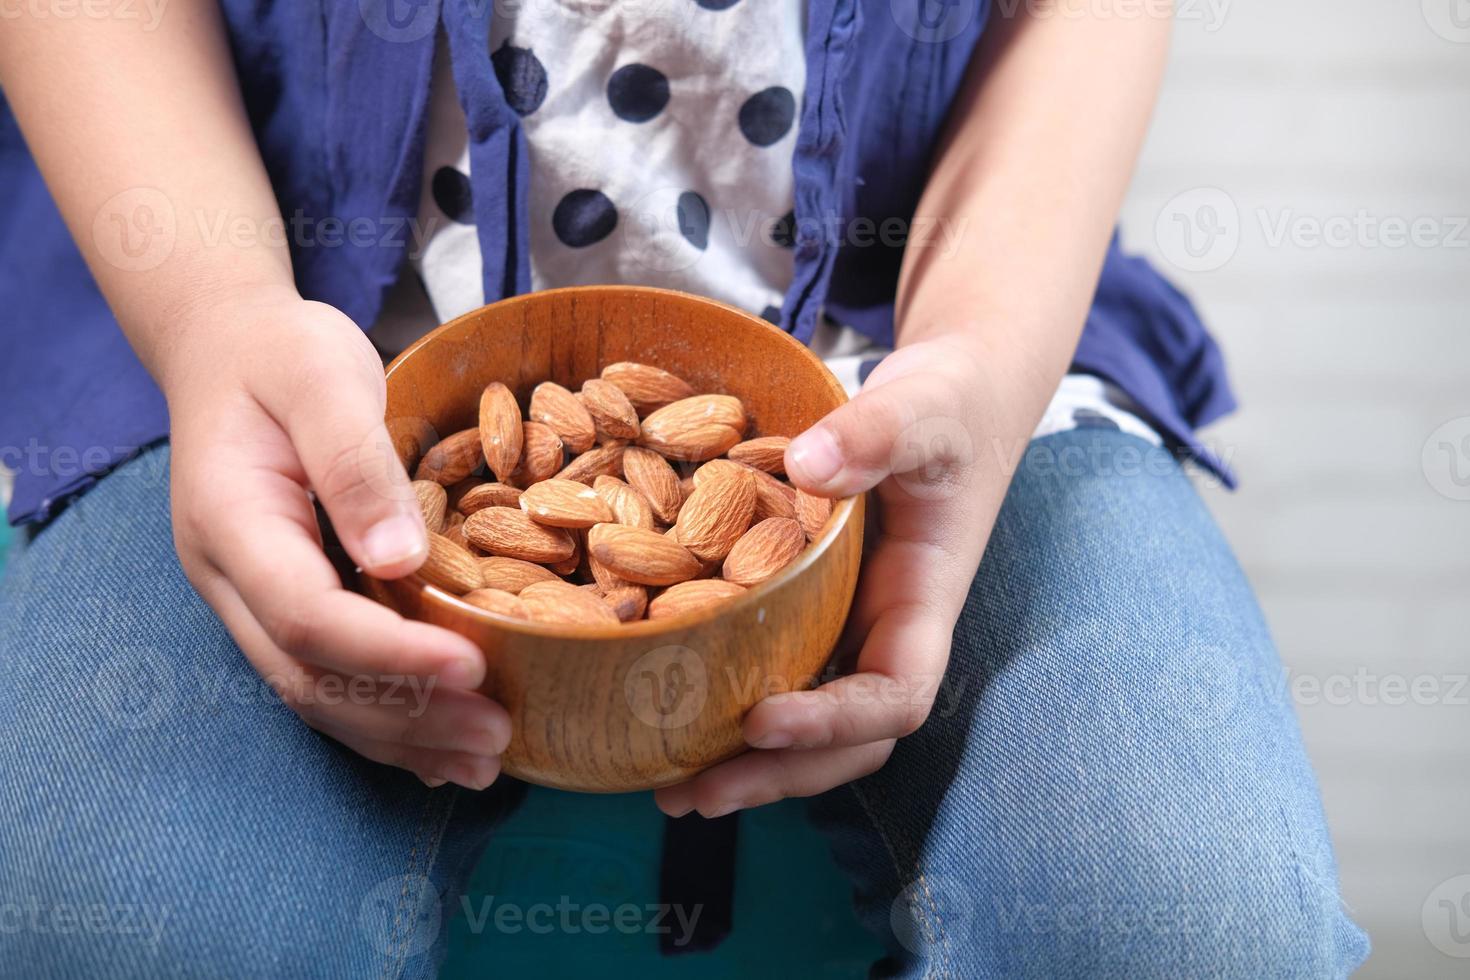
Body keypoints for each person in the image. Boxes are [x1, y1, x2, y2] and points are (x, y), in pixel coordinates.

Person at [0, 1, 1368, 976]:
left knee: (1191, 924)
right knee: (107, 923)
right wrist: (212, 319)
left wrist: (984, 356)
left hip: (925, 344)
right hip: (295, 328)